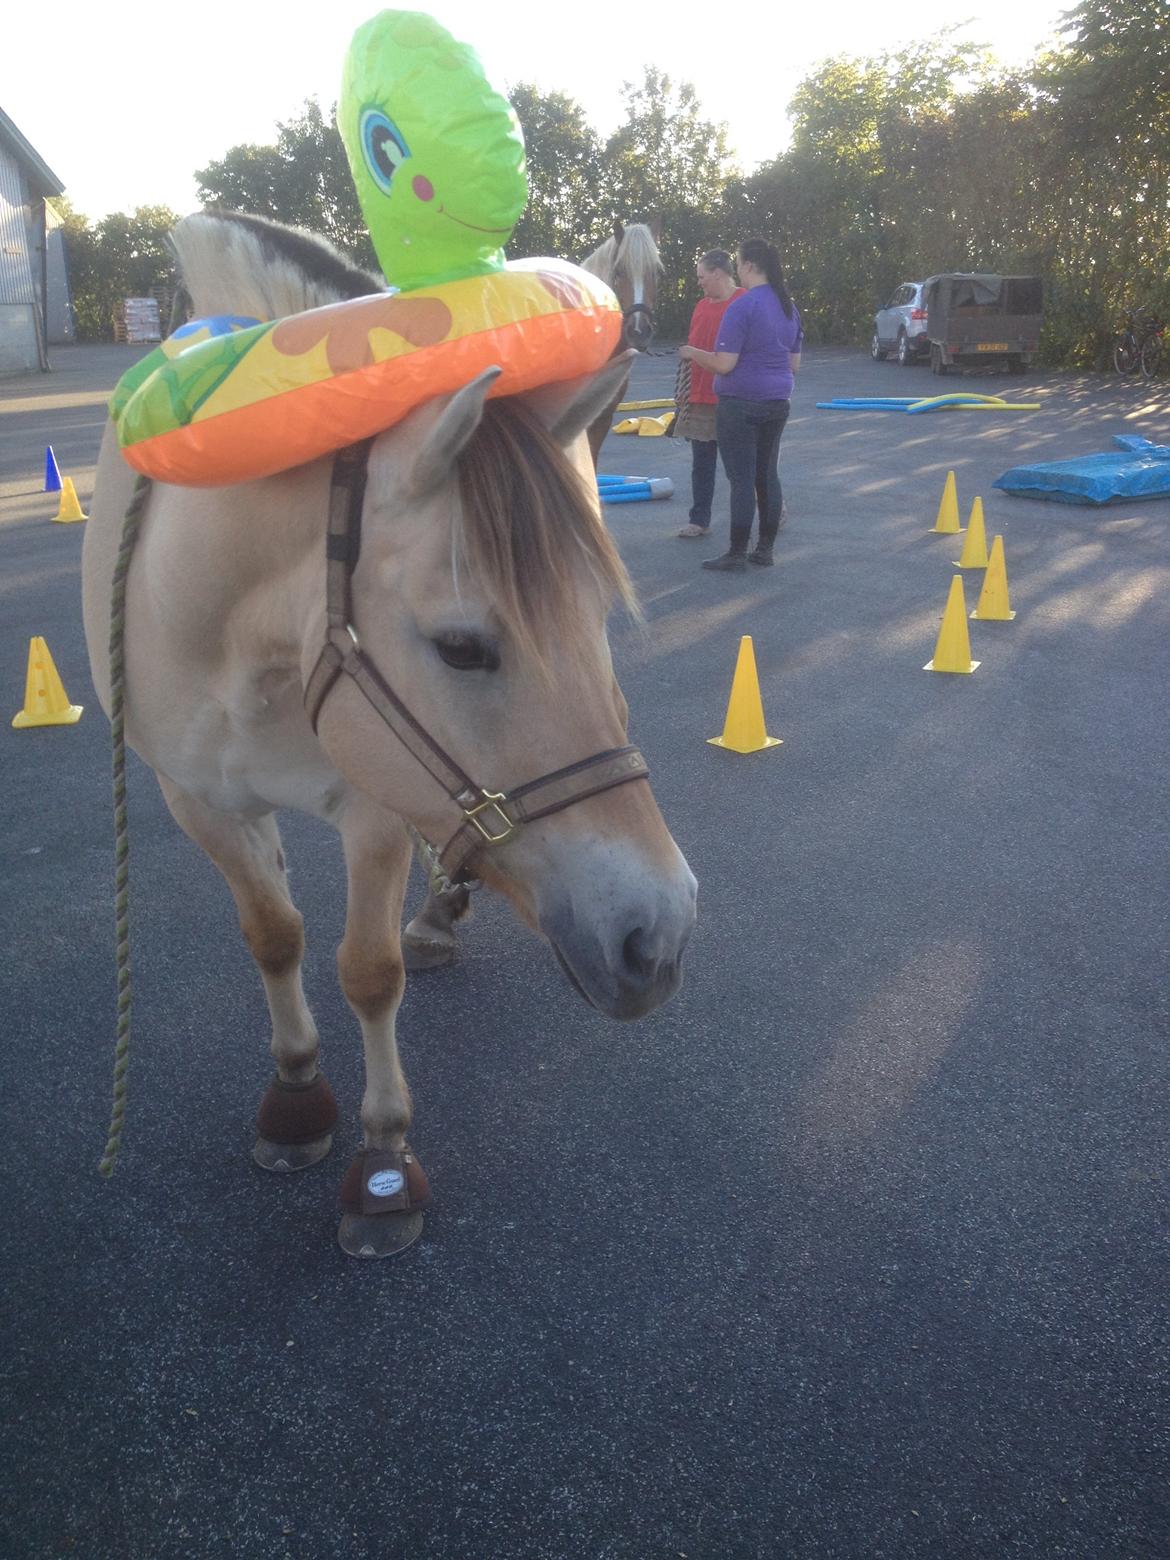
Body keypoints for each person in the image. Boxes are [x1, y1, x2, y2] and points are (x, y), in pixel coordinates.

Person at [679, 238, 802, 571]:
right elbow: (794, 365)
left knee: (741, 480)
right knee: (767, 475)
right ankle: (764, 550)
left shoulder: (742, 307)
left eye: (739, 263)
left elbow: (723, 364)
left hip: (741, 403)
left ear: (748, 266)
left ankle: (736, 552)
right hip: (778, 401)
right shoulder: (788, 306)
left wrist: (692, 353)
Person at [675, 251, 743, 539]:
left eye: (702, 277)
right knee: (701, 464)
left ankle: (771, 509)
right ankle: (699, 520)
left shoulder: (743, 303)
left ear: (718, 273)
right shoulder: (701, 306)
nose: (700, 283)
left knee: (740, 465)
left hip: (733, 397)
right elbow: (695, 346)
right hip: (700, 397)